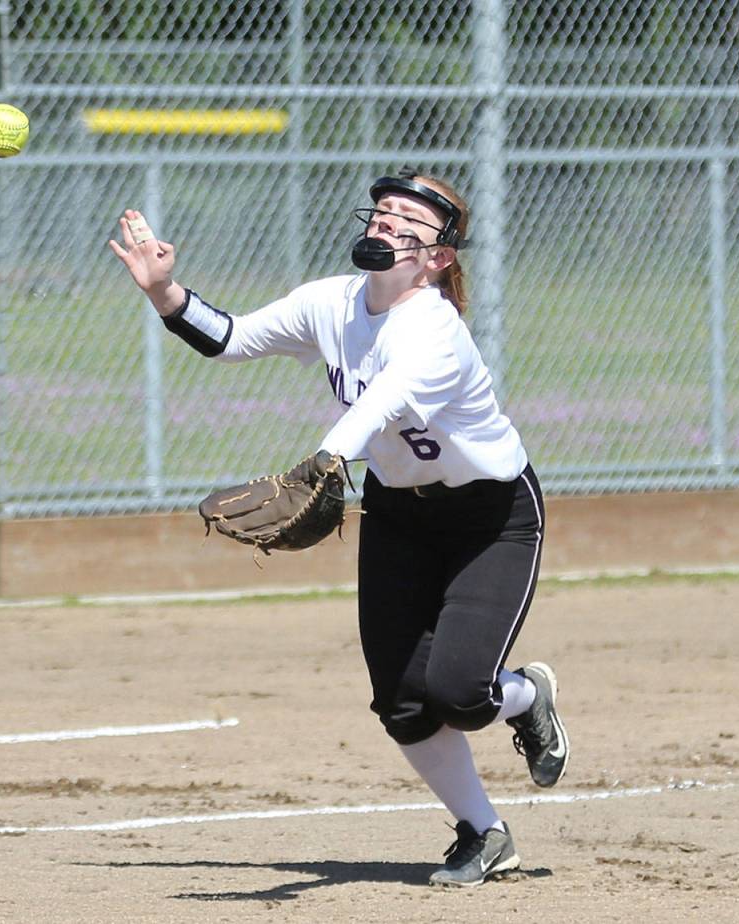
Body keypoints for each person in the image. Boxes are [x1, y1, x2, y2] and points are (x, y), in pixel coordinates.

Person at [109, 167, 570, 887]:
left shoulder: (434, 328)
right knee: (402, 702)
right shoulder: (332, 302)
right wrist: (163, 290)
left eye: (406, 223)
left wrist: (324, 461)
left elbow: (384, 402)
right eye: (382, 214)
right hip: (397, 514)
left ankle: (527, 695)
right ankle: (485, 833)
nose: (386, 224)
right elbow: (229, 338)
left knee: (459, 691)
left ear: (438, 257)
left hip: (490, 518)